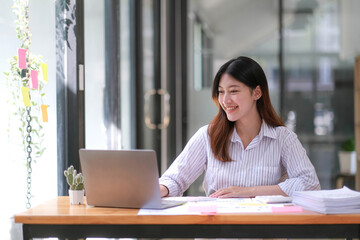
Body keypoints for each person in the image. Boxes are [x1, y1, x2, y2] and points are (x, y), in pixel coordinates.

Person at [159, 56, 320, 198]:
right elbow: (174, 179)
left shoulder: (283, 138)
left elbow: (309, 184)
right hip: (218, 229)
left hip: (263, 229)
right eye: (221, 92)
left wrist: (249, 191)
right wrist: (159, 189)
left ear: (257, 93)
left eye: (233, 91)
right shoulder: (208, 135)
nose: (225, 100)